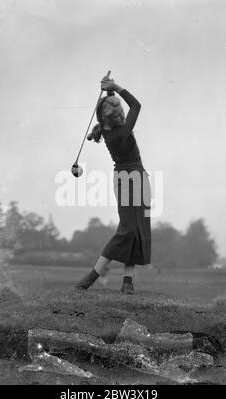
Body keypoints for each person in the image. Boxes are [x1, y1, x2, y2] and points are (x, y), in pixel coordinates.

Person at [75, 75, 151, 294]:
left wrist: (110, 91)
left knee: (136, 229)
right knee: (127, 230)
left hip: (137, 177)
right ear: (111, 119)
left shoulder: (109, 128)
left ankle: (127, 283)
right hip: (130, 179)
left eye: (121, 112)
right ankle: (88, 280)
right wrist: (117, 88)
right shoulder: (120, 134)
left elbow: (112, 110)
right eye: (118, 113)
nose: (122, 114)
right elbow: (136, 105)